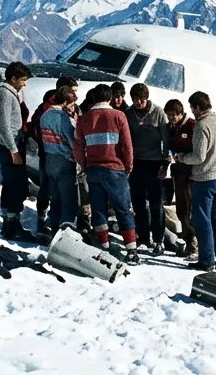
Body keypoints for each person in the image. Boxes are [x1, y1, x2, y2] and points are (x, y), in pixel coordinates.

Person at [77, 84, 139, 263]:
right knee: (123, 208)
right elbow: (127, 145)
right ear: (110, 98)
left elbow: (79, 146)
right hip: (114, 169)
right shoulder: (119, 116)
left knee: (98, 209)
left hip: (93, 169)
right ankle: (131, 250)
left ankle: (104, 247)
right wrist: (128, 166)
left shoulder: (84, 119)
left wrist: (84, 165)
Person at [178, 91, 216, 271]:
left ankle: (207, 260)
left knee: (201, 219)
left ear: (198, 107)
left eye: (193, 108)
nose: (192, 112)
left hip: (204, 178)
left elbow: (199, 157)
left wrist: (182, 158)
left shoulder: (202, 126)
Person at [126, 83, 173, 255]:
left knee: (156, 204)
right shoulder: (129, 114)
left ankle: (159, 239)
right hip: (136, 163)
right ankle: (143, 237)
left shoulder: (158, 113)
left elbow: (166, 141)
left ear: (147, 98)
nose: (138, 102)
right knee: (138, 203)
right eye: (135, 99)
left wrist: (165, 164)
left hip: (154, 163)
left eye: (141, 99)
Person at [30, 76, 79, 234]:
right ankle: (66, 228)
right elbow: (72, 141)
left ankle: (52, 224)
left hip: (49, 158)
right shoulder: (63, 118)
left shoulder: (45, 115)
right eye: (71, 104)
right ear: (65, 102)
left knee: (55, 196)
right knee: (68, 197)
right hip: (64, 159)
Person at [0, 62, 34, 242]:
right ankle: (11, 223)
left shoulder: (14, 93)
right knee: (15, 185)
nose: (24, 83)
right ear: (13, 78)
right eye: (22, 80)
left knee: (12, 183)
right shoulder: (3, 94)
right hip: (8, 146)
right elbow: (3, 125)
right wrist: (13, 149)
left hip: (14, 143)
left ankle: (11, 221)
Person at [165, 98, 197, 258]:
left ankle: (193, 241)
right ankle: (187, 239)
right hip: (178, 172)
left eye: (173, 115)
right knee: (181, 209)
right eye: (168, 115)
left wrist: (182, 157)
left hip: (190, 173)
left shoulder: (191, 126)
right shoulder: (172, 127)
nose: (170, 118)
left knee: (188, 208)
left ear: (180, 113)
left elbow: (197, 150)